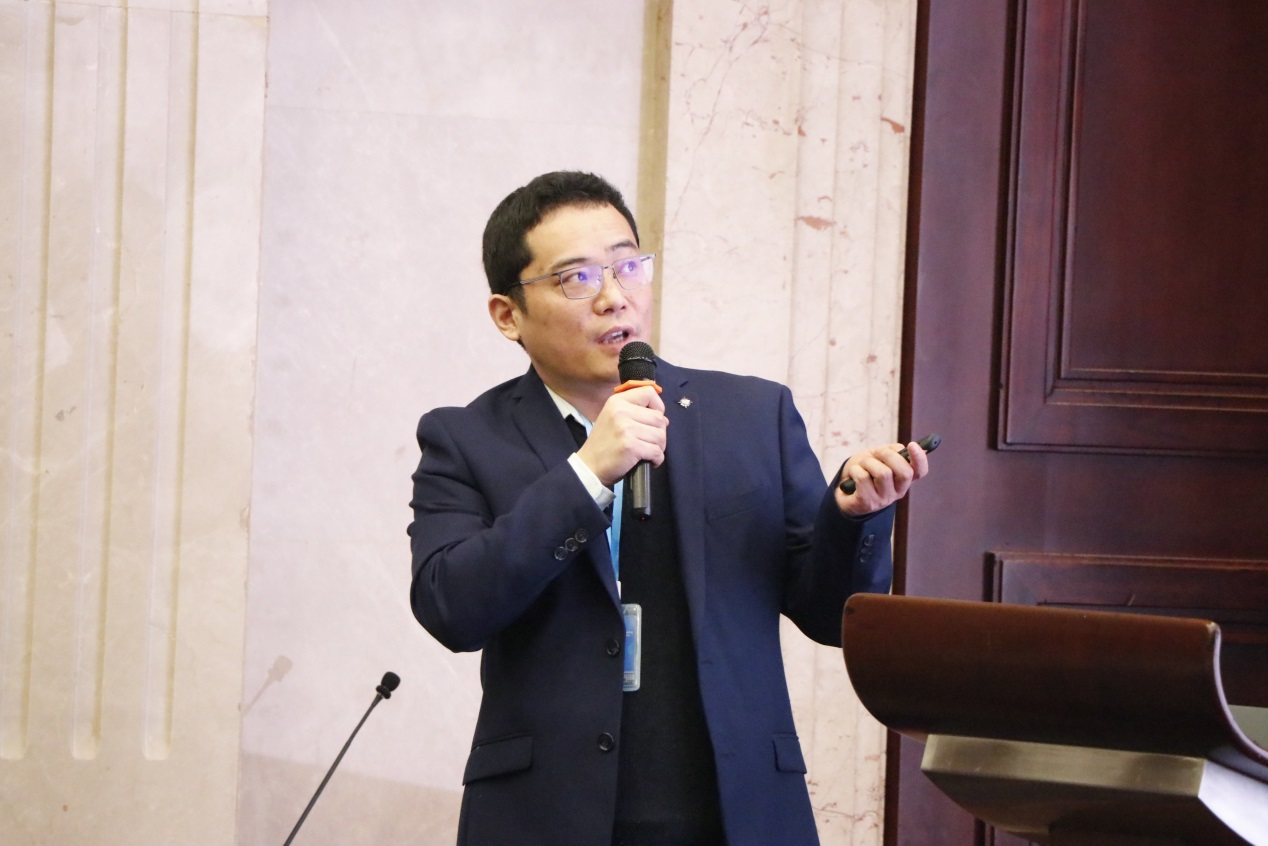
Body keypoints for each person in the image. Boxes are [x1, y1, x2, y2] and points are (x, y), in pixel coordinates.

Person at [408, 171, 929, 846]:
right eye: (576, 278)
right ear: (508, 314)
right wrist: (588, 472)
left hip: (735, 811)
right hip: (546, 815)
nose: (614, 297)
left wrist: (855, 518)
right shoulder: (467, 439)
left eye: (627, 266)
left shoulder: (751, 415)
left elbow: (831, 616)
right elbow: (451, 607)